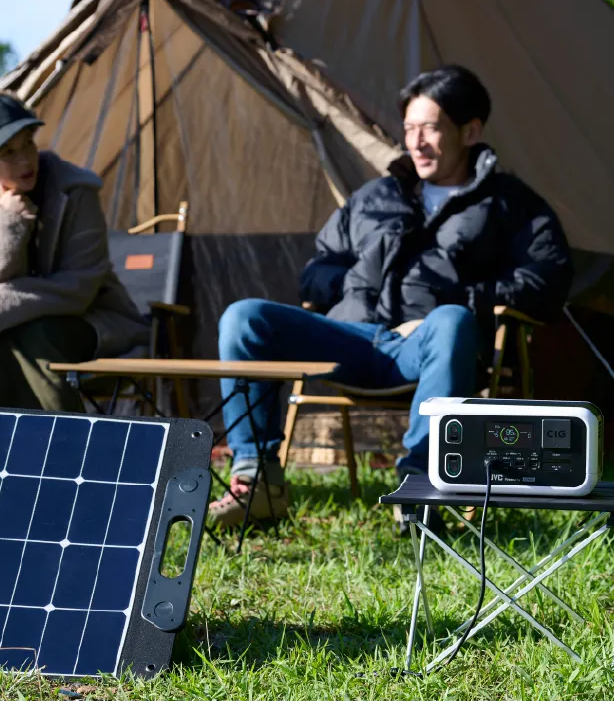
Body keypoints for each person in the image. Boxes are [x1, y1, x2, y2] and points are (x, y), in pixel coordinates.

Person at [209, 65, 573, 527]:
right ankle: (256, 482)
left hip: (428, 347)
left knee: (451, 320)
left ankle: (421, 486)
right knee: (245, 318)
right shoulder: (375, 197)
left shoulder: (509, 204)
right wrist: (355, 285)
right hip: (351, 339)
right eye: (409, 129)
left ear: (470, 130)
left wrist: (468, 298)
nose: (416, 141)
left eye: (431, 128)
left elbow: (550, 278)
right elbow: (317, 270)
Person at [0, 94, 148, 410]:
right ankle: (52, 446)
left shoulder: (74, 190)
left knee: (25, 334)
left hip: (93, 322)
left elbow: (79, 289)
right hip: (5, 337)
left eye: (27, 144)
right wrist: (7, 222)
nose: (24, 159)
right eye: (8, 152)